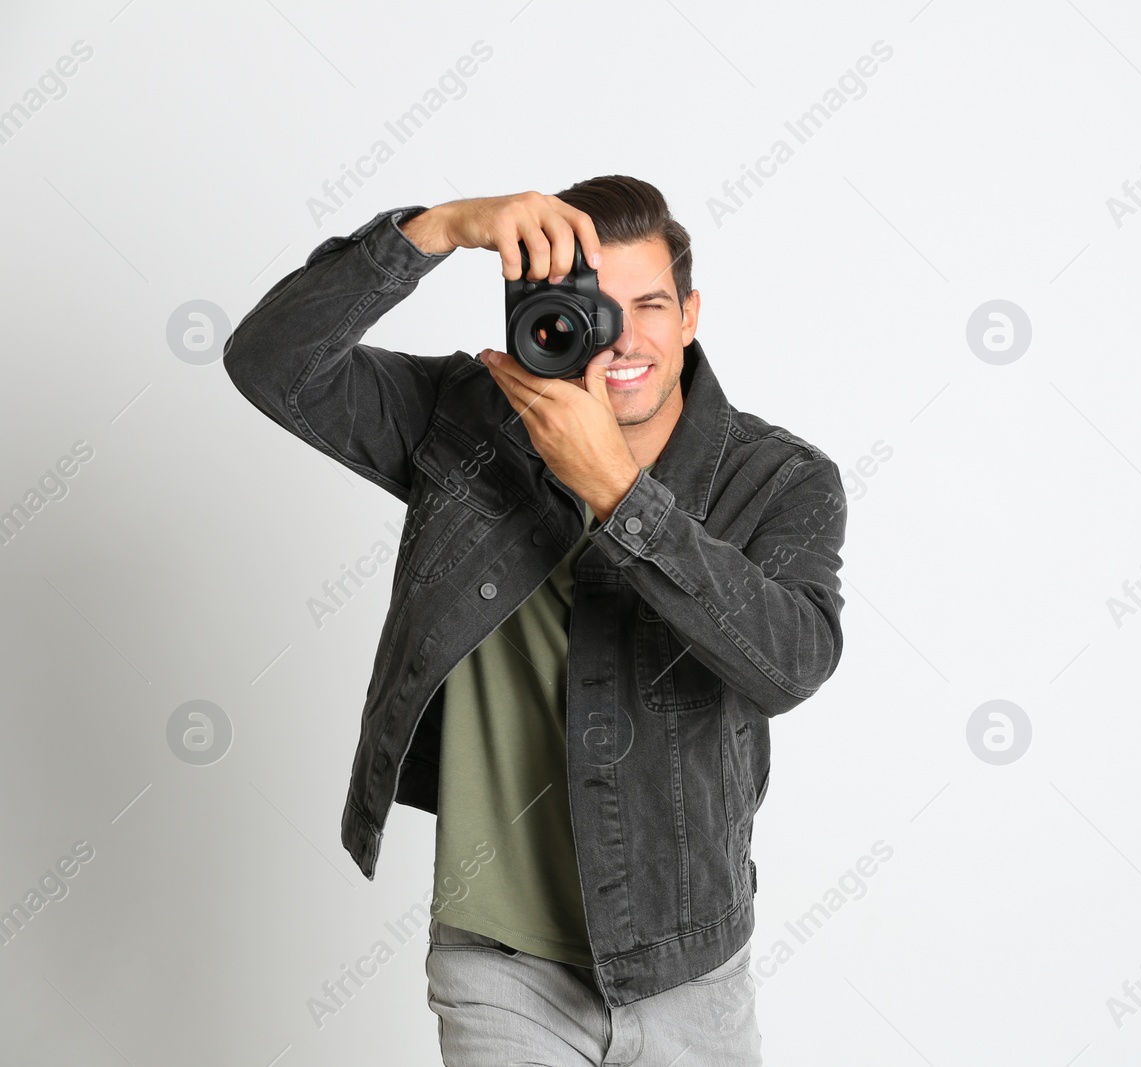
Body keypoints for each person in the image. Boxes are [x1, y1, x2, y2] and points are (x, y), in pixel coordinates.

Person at [222, 176, 849, 1065]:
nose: (622, 337)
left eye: (651, 304)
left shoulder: (782, 478)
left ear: (691, 315)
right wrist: (436, 228)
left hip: (689, 968)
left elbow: (790, 663)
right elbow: (270, 362)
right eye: (593, 305)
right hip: (500, 969)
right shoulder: (464, 420)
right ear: (542, 305)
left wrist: (619, 494)